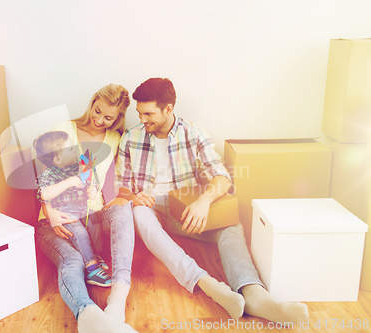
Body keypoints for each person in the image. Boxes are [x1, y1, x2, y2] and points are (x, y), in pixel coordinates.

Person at [115, 78, 309, 324]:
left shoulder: (193, 134)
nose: (142, 120)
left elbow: (222, 177)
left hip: (183, 211)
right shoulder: (131, 137)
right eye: (139, 113)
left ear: (168, 109)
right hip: (149, 208)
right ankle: (205, 283)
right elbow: (119, 185)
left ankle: (253, 293)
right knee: (139, 214)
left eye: (148, 114)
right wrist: (132, 196)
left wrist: (204, 201)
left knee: (231, 225)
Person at [35, 84, 137, 333]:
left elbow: (115, 179)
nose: (100, 119)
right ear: (93, 102)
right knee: (72, 261)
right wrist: (49, 211)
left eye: (108, 117)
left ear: (118, 119)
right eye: (98, 110)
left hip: (92, 217)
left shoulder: (115, 138)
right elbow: (43, 177)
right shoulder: (63, 130)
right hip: (57, 216)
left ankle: (118, 295)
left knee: (123, 209)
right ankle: (87, 314)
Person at [34, 130, 111, 287]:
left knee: (95, 225)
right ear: (57, 158)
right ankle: (91, 267)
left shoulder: (77, 166)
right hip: (66, 214)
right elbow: (44, 194)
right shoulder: (49, 174)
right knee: (80, 234)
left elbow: (89, 180)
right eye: (71, 149)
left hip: (82, 209)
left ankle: (94, 255)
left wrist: (92, 190)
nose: (76, 150)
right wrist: (67, 182)